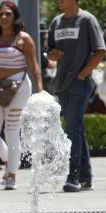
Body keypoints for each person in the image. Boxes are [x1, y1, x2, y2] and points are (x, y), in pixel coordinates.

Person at [0, 1, 43, 190]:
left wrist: (41, 91)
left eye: (8, 14)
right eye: (1, 14)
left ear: (15, 16)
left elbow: (34, 66)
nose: (4, 17)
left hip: (18, 88)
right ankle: (11, 162)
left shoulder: (24, 38)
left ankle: (12, 175)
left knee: (11, 132)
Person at [47, 0, 106, 192]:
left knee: (72, 127)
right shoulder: (56, 22)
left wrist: (82, 74)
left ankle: (73, 176)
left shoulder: (87, 20)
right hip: (62, 83)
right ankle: (86, 176)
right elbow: (50, 53)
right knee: (75, 127)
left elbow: (100, 51)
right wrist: (53, 55)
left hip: (80, 83)